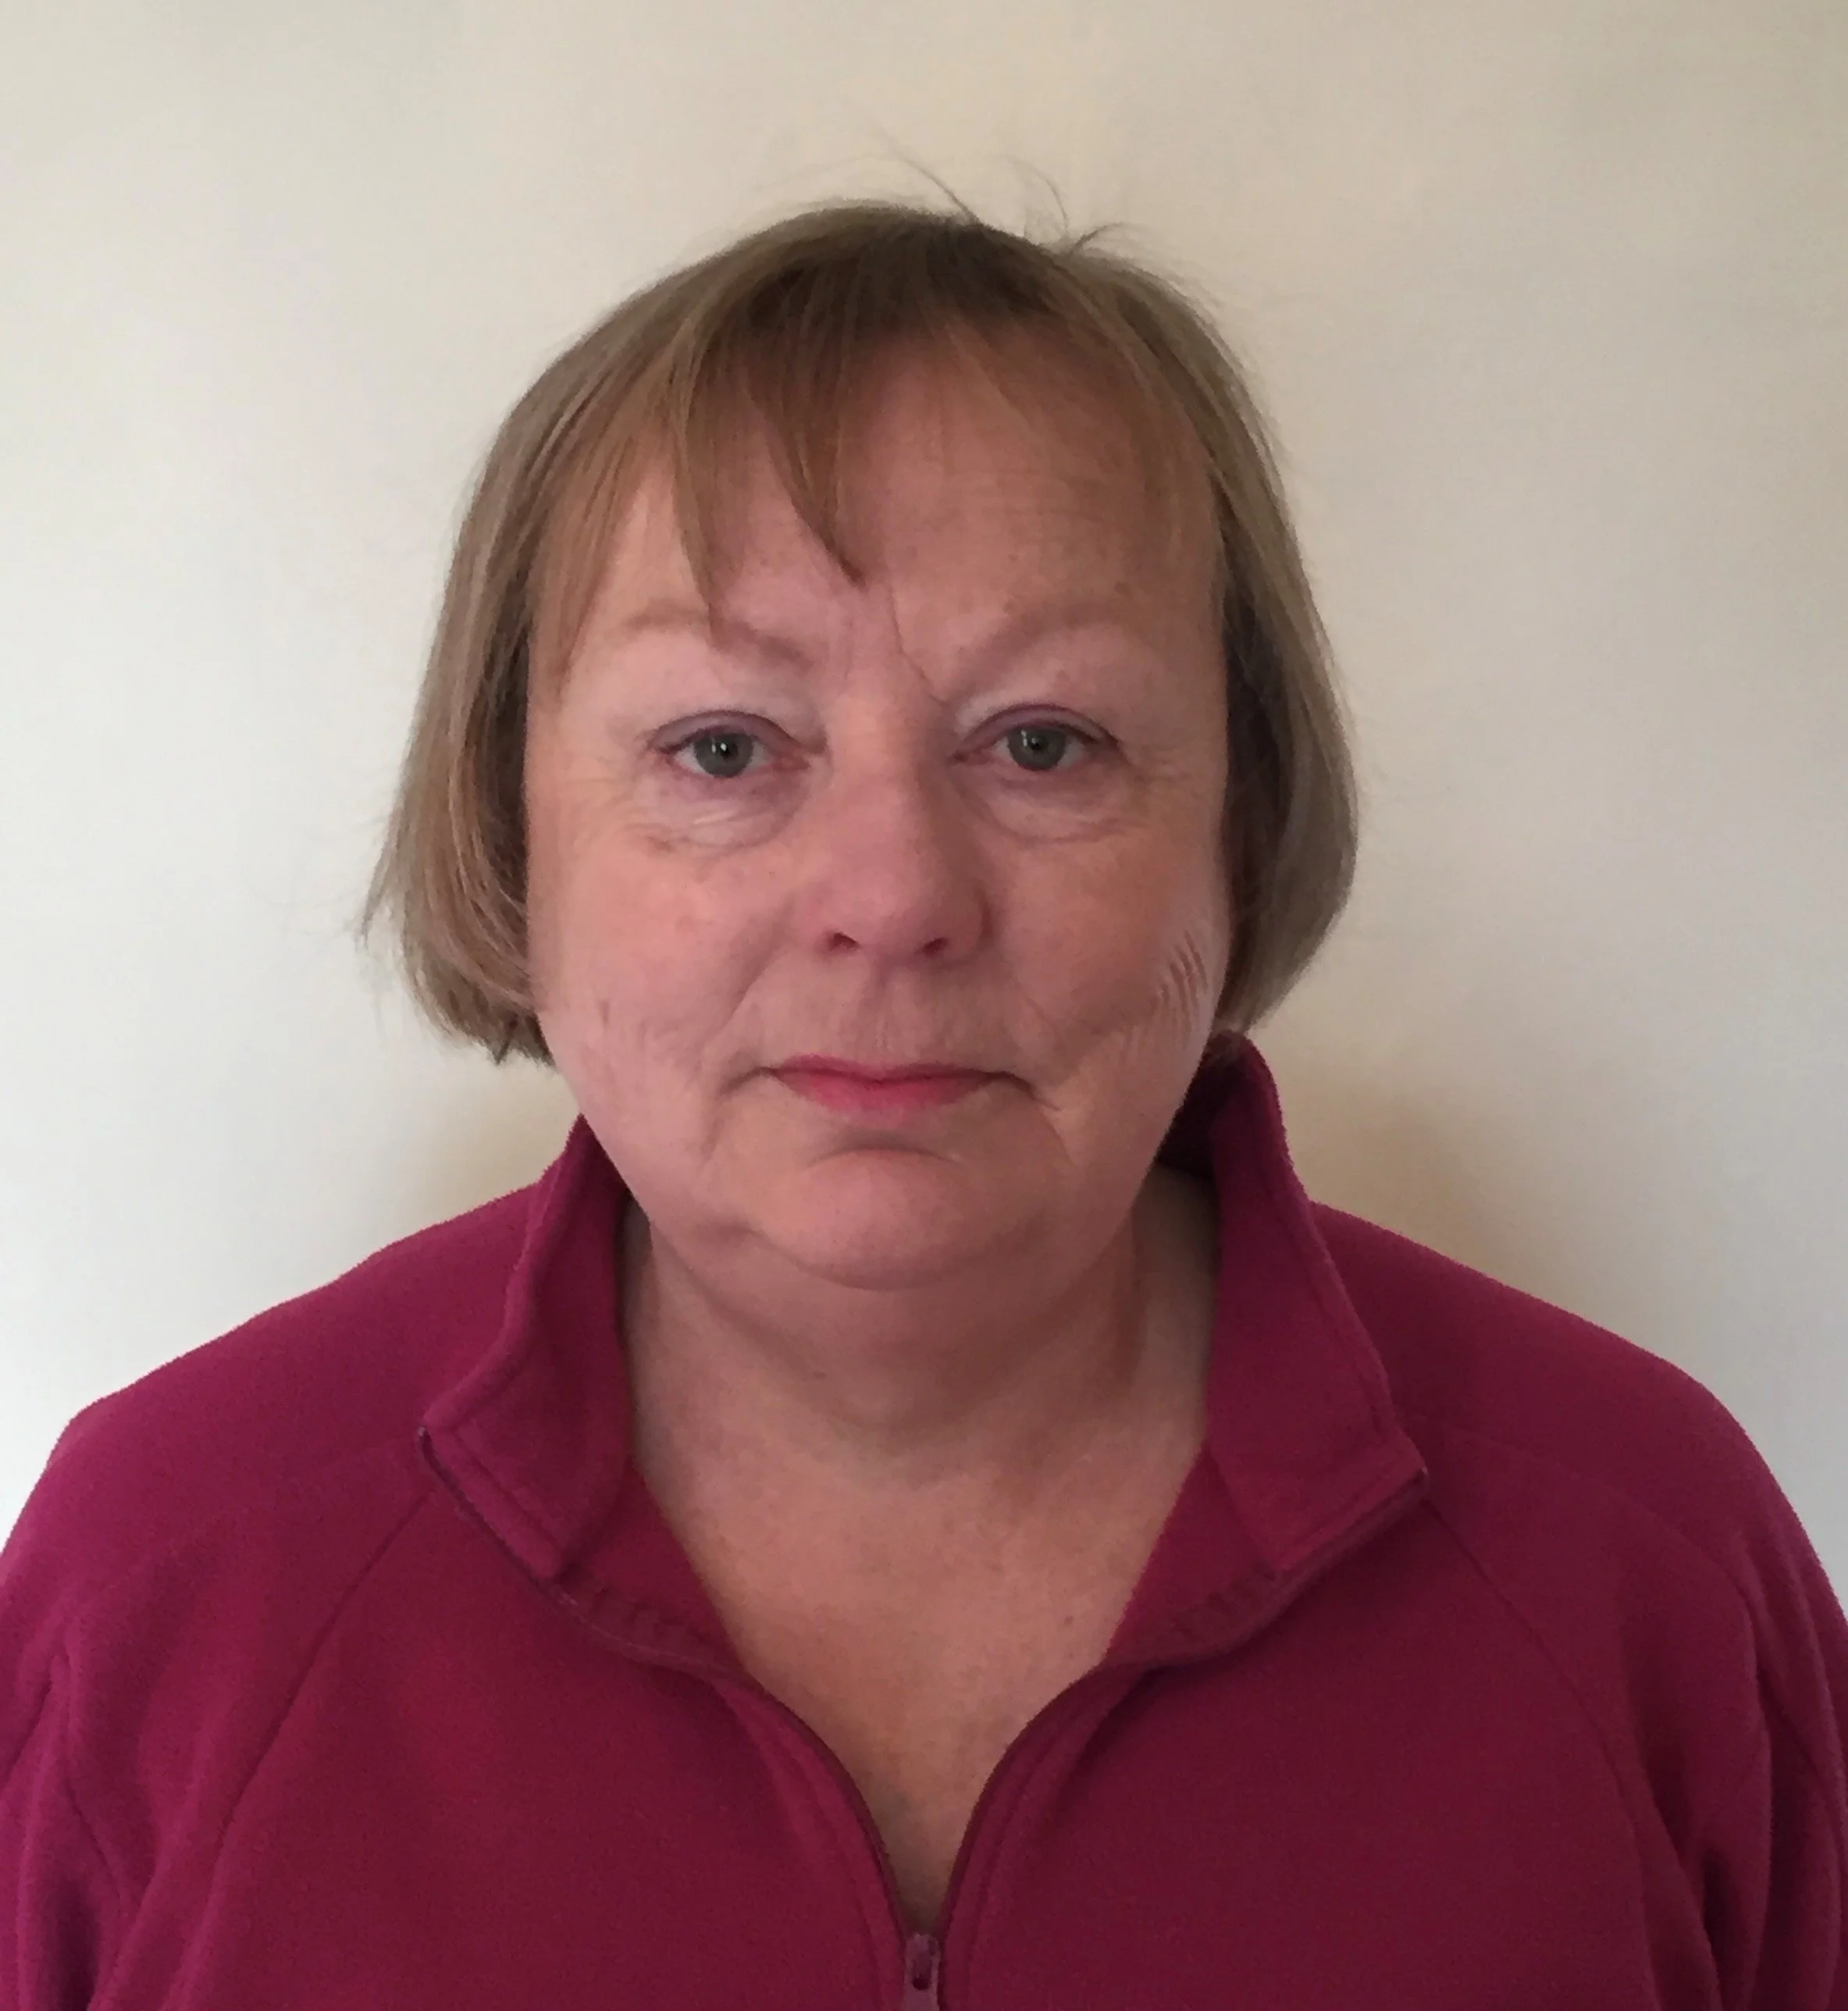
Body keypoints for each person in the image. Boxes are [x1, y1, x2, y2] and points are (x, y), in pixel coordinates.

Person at [3, 200, 1844, 2011]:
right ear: (511, 832)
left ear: (1237, 829)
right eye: (723, 747)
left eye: (1043, 740)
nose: (892, 894)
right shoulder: (154, 1589)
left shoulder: (1649, 1571)